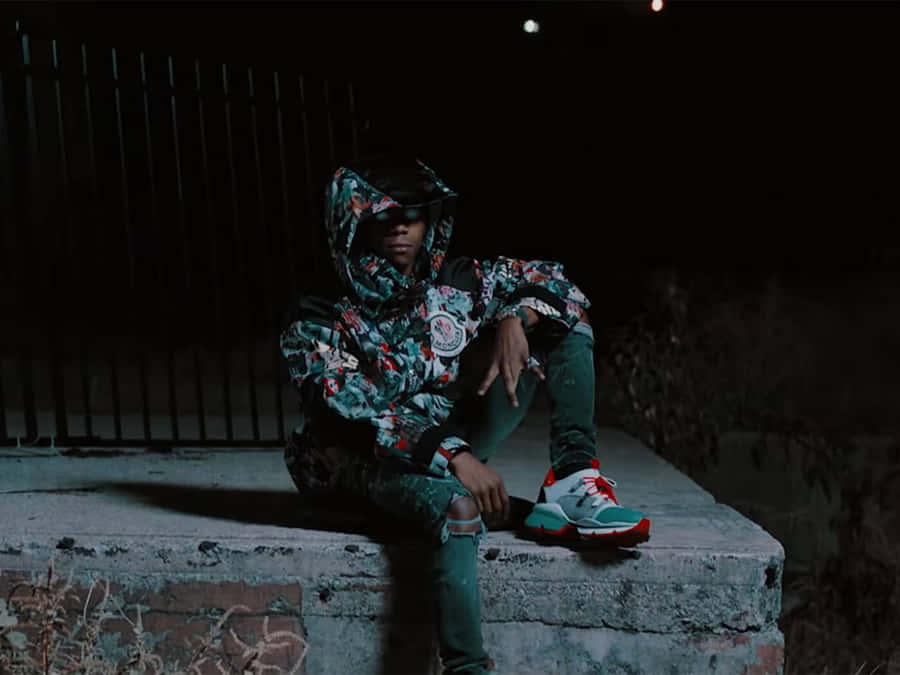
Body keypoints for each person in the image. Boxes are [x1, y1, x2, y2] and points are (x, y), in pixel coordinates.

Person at [280, 156, 650, 674]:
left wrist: (515, 317)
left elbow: (556, 281)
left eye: (412, 215)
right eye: (385, 216)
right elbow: (350, 409)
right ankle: (467, 668)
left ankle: (572, 477)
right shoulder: (319, 313)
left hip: (443, 443)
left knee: (564, 319)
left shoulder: (452, 282)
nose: (401, 228)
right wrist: (454, 456)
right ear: (354, 222)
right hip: (356, 463)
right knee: (458, 508)